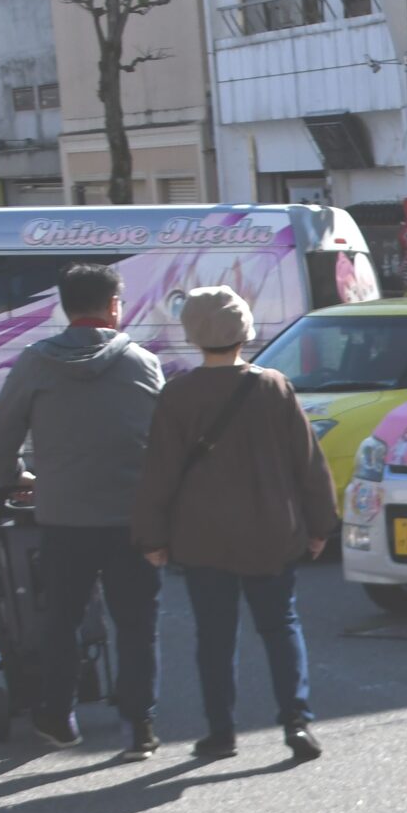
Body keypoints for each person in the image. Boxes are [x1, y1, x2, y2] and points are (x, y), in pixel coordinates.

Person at [132, 287, 337, 762]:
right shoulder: (273, 386)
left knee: (214, 635)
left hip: (203, 536)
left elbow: (159, 471)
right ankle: (297, 723)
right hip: (271, 529)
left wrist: (152, 536)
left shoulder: (178, 393)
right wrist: (320, 523)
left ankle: (221, 732)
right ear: (244, 330)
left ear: (193, 334)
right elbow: (308, 463)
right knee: (281, 625)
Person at [0, 263, 165, 757]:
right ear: (113, 306)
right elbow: (165, 441)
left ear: (64, 307)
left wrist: (14, 476)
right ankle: (140, 724)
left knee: (60, 618)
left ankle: (58, 713)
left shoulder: (35, 362)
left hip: (63, 515)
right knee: (136, 622)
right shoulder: (142, 364)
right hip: (132, 515)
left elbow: (2, 432)